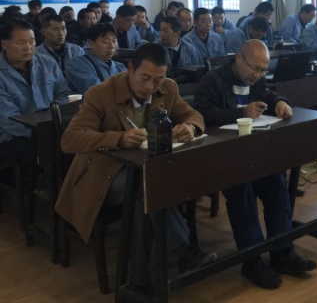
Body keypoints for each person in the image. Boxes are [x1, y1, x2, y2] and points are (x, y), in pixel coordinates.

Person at [56, 43, 216, 295]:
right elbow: (70, 139)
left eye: (158, 79)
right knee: (146, 187)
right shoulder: (100, 94)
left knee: (142, 199)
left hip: (143, 173)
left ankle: (137, 282)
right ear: (130, 69)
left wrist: (191, 127)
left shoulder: (168, 88)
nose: (151, 86)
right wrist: (118, 138)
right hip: (103, 175)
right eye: (145, 78)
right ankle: (185, 251)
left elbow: (193, 115)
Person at [193, 40, 317, 289]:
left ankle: (282, 252)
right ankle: (252, 260)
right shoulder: (213, 81)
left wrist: (280, 101)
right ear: (239, 58)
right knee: (243, 191)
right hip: (221, 158)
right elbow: (203, 115)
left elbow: (269, 94)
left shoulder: (256, 81)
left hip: (252, 156)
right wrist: (240, 113)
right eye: (255, 68)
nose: (258, 75)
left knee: (277, 185)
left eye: (263, 70)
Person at [0, 19, 71, 172]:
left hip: (51, 127)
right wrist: (44, 131)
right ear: (4, 44)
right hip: (13, 135)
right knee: (52, 150)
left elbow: (64, 93)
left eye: (32, 41)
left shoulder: (47, 63)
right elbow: (8, 119)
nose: (28, 47)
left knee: (79, 143)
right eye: (21, 42)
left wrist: (53, 121)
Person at [65, 23, 126, 94]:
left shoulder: (120, 67)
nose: (111, 46)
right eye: (105, 42)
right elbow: (97, 92)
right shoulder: (77, 64)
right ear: (91, 43)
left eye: (114, 41)